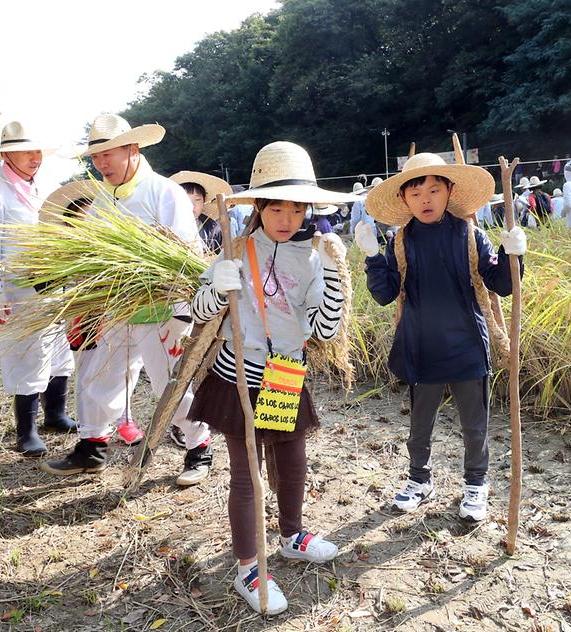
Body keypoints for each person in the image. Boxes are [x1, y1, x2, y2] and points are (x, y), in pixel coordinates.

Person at [187, 141, 352, 615]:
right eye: (276, 206)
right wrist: (219, 287)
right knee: (247, 475)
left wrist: (338, 275)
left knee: (292, 456)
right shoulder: (235, 248)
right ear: (258, 206)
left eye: (297, 207)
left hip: (286, 372)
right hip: (238, 373)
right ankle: (247, 567)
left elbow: (322, 328)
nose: (287, 217)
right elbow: (198, 312)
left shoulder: (314, 257)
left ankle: (293, 535)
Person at [355, 152, 526, 523]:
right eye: (416, 194)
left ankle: (476, 484)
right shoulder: (401, 242)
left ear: (450, 191)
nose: (426, 200)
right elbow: (385, 294)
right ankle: (419, 480)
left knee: (474, 424)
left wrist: (512, 254)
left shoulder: (468, 234)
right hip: (421, 345)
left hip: (466, 343)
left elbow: (501, 284)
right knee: (420, 423)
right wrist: (371, 256)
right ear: (403, 200)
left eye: (434, 190)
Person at [41, 114, 210, 479]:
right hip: (118, 308)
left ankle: (198, 448)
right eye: (96, 158)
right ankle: (92, 447)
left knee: (173, 384)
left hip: (163, 309)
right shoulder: (103, 202)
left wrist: (181, 313)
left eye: (109, 154)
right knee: (101, 378)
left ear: (132, 149)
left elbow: (186, 256)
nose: (102, 164)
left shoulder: (165, 193)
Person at [0, 121, 77, 456]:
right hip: (17, 291)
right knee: (26, 356)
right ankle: (26, 431)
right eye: (26, 150)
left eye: (38, 151)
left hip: (55, 285)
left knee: (59, 352)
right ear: (6, 154)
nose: (35, 157)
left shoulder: (47, 187)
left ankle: (55, 414)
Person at [171, 171, 234, 256]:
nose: (191, 205)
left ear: (204, 201)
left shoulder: (213, 229)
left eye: (197, 200)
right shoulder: (164, 226)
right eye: (185, 199)